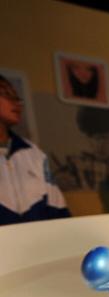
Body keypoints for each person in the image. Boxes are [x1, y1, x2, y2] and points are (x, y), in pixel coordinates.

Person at [0, 74, 70, 225]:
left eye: (16, 97)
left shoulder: (33, 153)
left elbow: (57, 209)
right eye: (6, 94)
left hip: (38, 238)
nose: (16, 102)